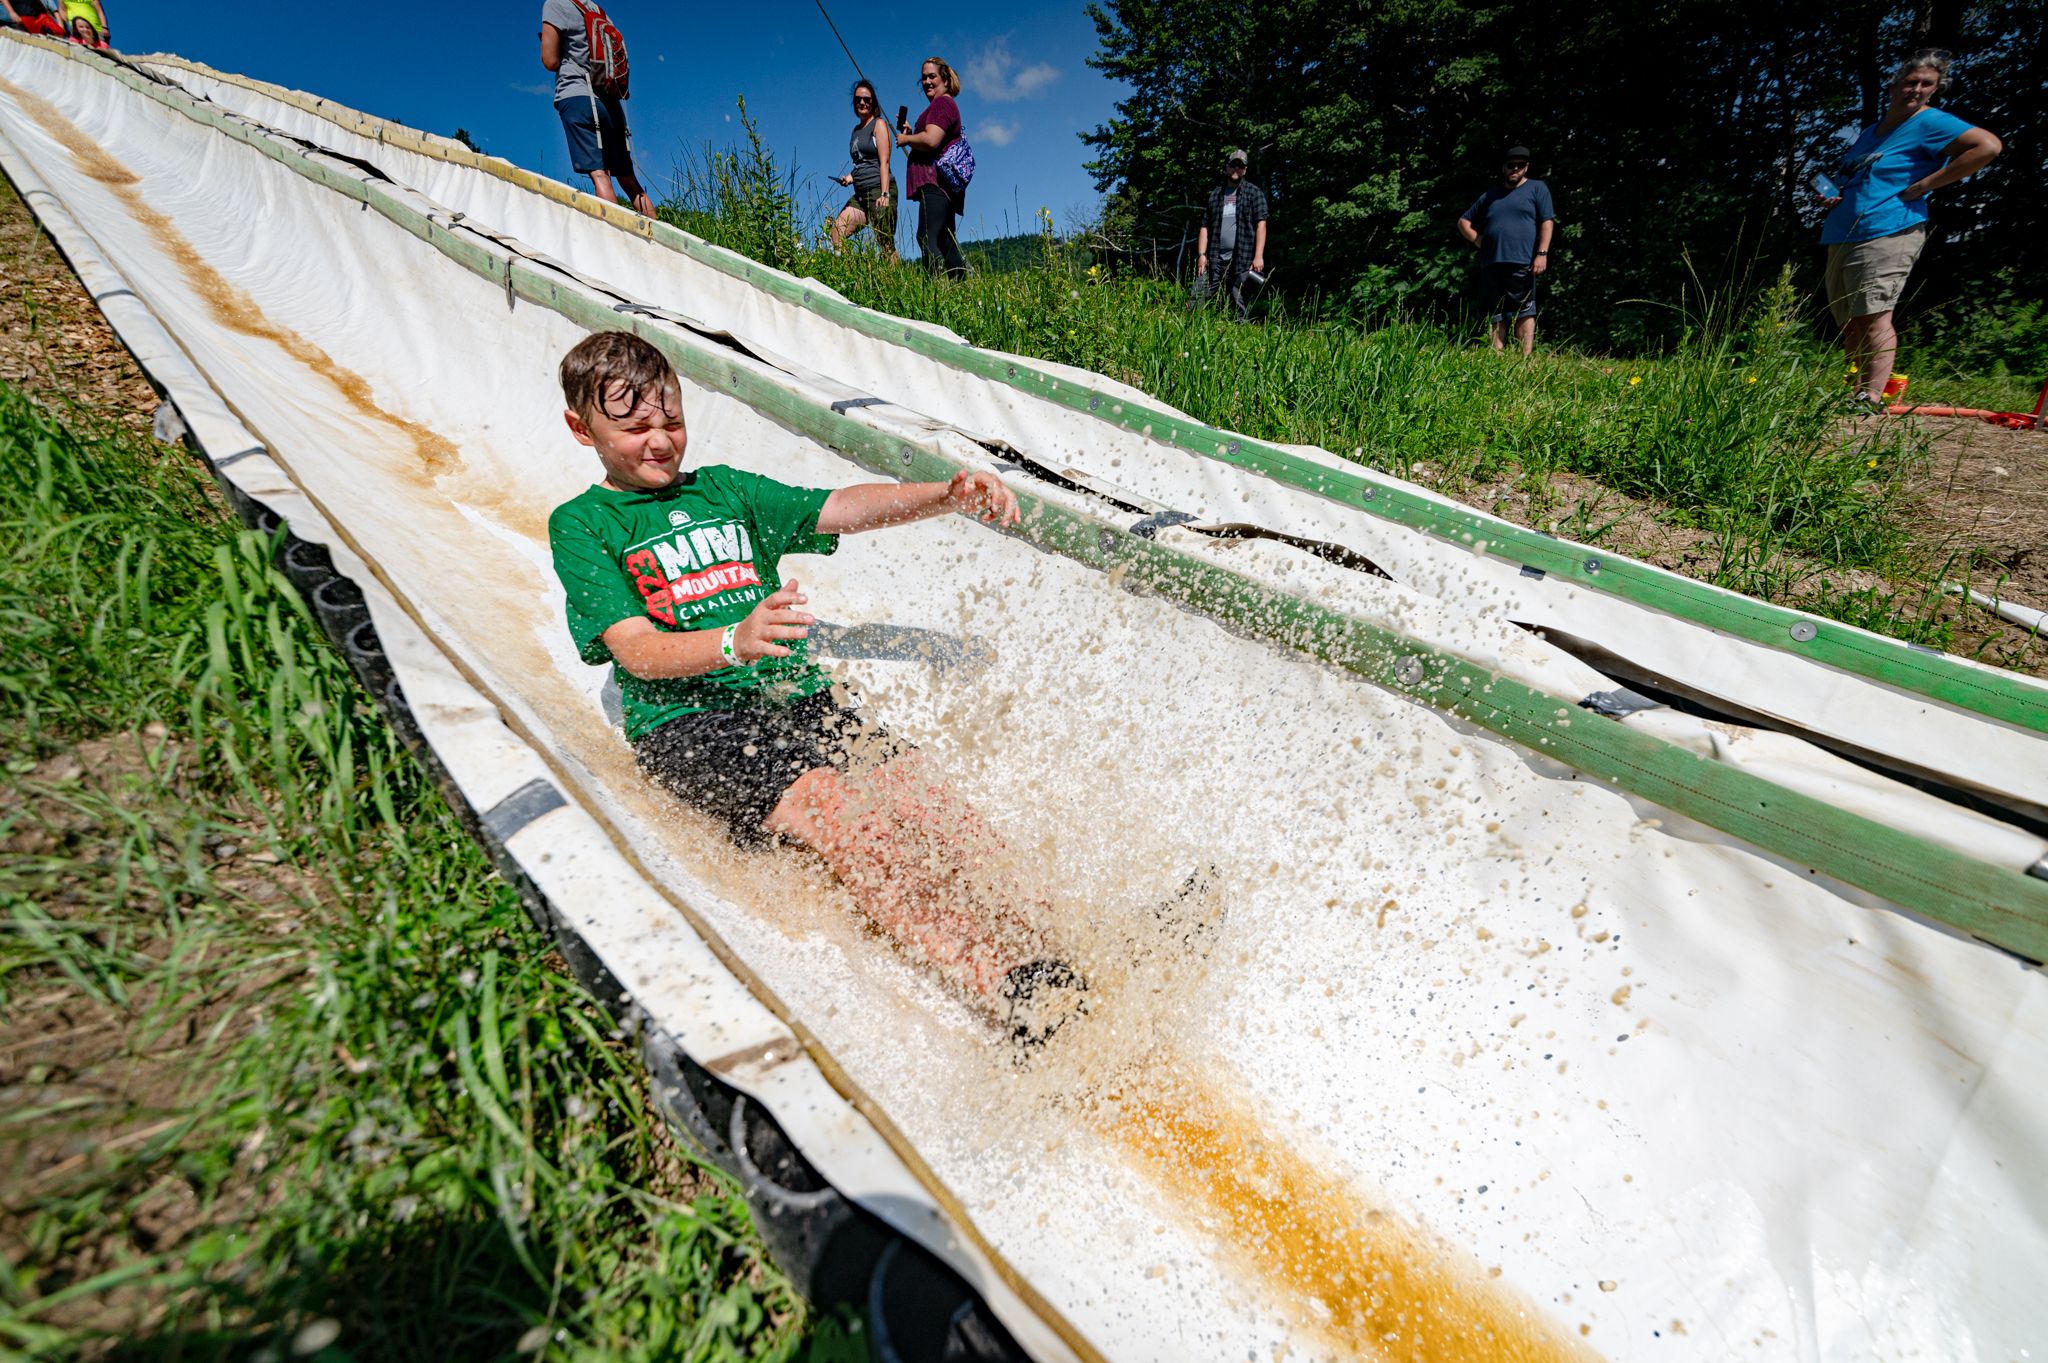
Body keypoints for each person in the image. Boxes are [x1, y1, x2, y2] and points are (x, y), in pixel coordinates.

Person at [547, 331, 1086, 1042]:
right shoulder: (583, 523)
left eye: (672, 420)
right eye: (636, 426)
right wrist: (730, 642)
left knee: (920, 794)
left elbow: (839, 507)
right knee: (837, 807)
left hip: (798, 699)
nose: (660, 441)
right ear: (582, 428)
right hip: (691, 726)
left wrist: (946, 494)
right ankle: (1009, 990)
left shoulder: (727, 491)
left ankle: (1075, 940)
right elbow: (637, 651)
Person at [1818, 49, 2002, 408]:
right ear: (1894, 85)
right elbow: (1862, 180)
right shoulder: (1872, 132)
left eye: (1926, 84)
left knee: (1874, 315)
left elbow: (1988, 146)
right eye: (1910, 81)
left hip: (1888, 230)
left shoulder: (1931, 123)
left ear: (1934, 90)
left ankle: (1870, 396)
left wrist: (1927, 184)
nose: (1916, 89)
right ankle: (1850, 391)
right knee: (1849, 322)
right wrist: (1835, 197)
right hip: (1844, 231)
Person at [538, 0, 654, 216]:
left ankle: (616, 240)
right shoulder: (597, 11)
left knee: (600, 174)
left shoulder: (555, 4)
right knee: (628, 180)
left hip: (578, 96)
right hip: (610, 103)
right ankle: (659, 240)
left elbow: (550, 61)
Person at [1457, 146, 1555, 356]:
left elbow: (1547, 221)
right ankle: (1497, 357)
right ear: (1504, 167)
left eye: (1521, 166)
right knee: (1495, 312)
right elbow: (1463, 221)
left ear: (1526, 167)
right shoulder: (1490, 196)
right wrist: (1477, 240)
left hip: (1522, 261)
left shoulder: (1537, 188)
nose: (1516, 169)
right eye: (1511, 165)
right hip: (1491, 262)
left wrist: (1542, 253)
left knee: (1525, 310)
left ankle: (1525, 358)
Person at [897, 57, 968, 280]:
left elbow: (931, 140)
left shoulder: (942, 104)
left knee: (926, 237)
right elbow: (928, 137)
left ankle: (935, 293)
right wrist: (911, 133)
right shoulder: (942, 106)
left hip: (935, 183)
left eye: (932, 76)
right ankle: (962, 290)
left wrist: (906, 140)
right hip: (943, 185)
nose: (927, 81)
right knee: (946, 240)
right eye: (923, 78)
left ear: (945, 80)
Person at [1193, 148, 1268, 321]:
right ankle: (1190, 330)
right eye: (1233, 165)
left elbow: (1261, 224)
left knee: (1238, 298)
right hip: (1213, 257)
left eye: (1240, 166)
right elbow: (1205, 226)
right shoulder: (1216, 195)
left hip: (1242, 258)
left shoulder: (1253, 193)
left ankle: (1241, 334)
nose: (1236, 169)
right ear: (1227, 167)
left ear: (1245, 170)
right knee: (1198, 294)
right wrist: (1202, 255)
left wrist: (1258, 256)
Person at [829, 79, 896, 260]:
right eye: (858, 99)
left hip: (878, 189)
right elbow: (861, 162)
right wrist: (849, 178)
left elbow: (884, 162)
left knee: (885, 244)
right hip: (860, 194)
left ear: (873, 102)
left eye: (867, 99)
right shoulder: (856, 130)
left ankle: (899, 283)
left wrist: (884, 194)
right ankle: (852, 276)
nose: (862, 102)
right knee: (837, 230)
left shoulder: (879, 125)